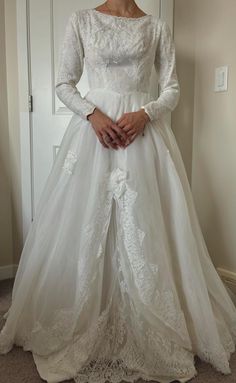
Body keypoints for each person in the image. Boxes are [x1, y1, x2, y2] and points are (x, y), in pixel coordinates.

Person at [1, 1, 236, 382]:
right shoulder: (82, 20)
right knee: (87, 222)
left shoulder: (156, 27)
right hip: (97, 133)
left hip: (144, 135)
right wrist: (92, 114)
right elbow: (64, 82)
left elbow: (173, 87)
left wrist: (146, 112)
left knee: (147, 222)